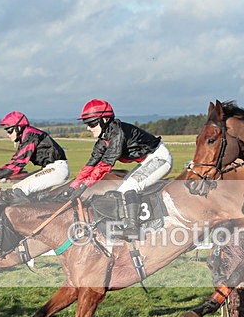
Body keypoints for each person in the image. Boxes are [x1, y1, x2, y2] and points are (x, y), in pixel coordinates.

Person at [67, 99, 173, 237]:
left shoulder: (117, 134)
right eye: (86, 123)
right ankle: (134, 223)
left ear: (104, 119)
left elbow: (106, 164)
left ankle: (135, 227)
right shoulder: (104, 138)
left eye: (91, 123)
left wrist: (85, 185)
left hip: (160, 157)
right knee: (121, 191)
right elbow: (92, 163)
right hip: (147, 160)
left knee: (130, 187)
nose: (88, 127)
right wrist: (74, 185)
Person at [0, 111, 69, 200]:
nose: (8, 134)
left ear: (18, 127)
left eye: (9, 130)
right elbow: (15, 163)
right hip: (50, 169)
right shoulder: (26, 136)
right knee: (16, 186)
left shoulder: (31, 136)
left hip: (56, 170)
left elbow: (18, 163)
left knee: (18, 190)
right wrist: (4, 176)